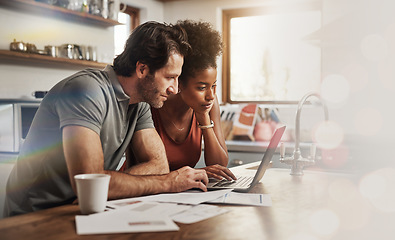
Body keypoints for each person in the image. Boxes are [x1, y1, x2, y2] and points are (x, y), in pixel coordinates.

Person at [4, 21, 209, 217]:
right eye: (170, 77)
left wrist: (108, 185)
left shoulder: (140, 103)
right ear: (142, 69)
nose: (174, 89)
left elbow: (158, 166)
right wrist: (168, 182)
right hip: (36, 216)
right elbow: (91, 182)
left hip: (85, 207)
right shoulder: (86, 91)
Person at [124, 19, 236, 181]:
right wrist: (195, 173)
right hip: (140, 188)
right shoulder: (151, 102)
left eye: (214, 86)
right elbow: (138, 167)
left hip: (180, 192)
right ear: (179, 82)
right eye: (201, 87)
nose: (211, 95)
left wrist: (204, 119)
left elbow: (220, 166)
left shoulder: (209, 105)